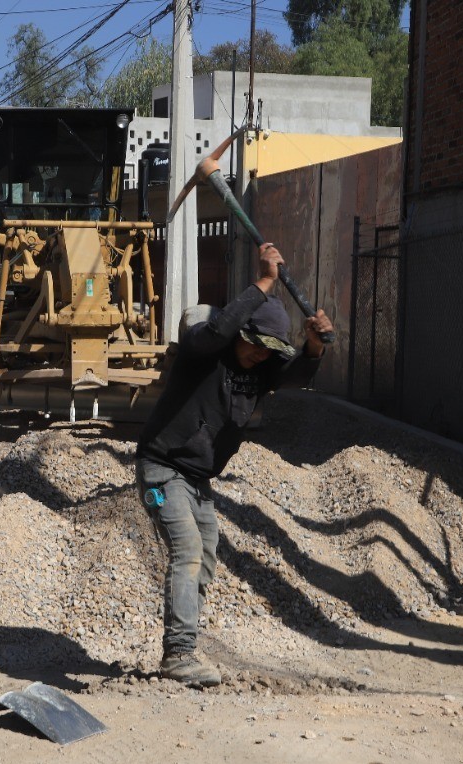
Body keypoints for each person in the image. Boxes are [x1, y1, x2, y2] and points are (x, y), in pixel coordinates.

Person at [135, 244, 335, 687]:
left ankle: (182, 644)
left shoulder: (262, 367)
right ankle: (179, 654)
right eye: (254, 344)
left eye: (269, 350)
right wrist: (264, 282)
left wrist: (315, 345)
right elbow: (217, 329)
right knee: (186, 551)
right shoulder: (201, 352)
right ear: (239, 331)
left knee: (205, 555)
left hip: (199, 478)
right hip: (161, 469)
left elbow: (298, 374)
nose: (260, 355)